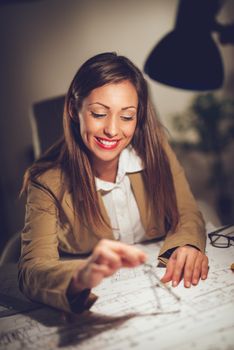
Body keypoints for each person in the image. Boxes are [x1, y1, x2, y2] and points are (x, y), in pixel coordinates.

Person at [18, 52, 209, 313]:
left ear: (138, 117)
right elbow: (32, 268)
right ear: (75, 110)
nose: (112, 130)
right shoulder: (46, 182)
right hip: (104, 303)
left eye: (127, 116)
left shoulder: (157, 152)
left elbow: (187, 211)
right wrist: (78, 277)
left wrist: (187, 244)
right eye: (99, 113)